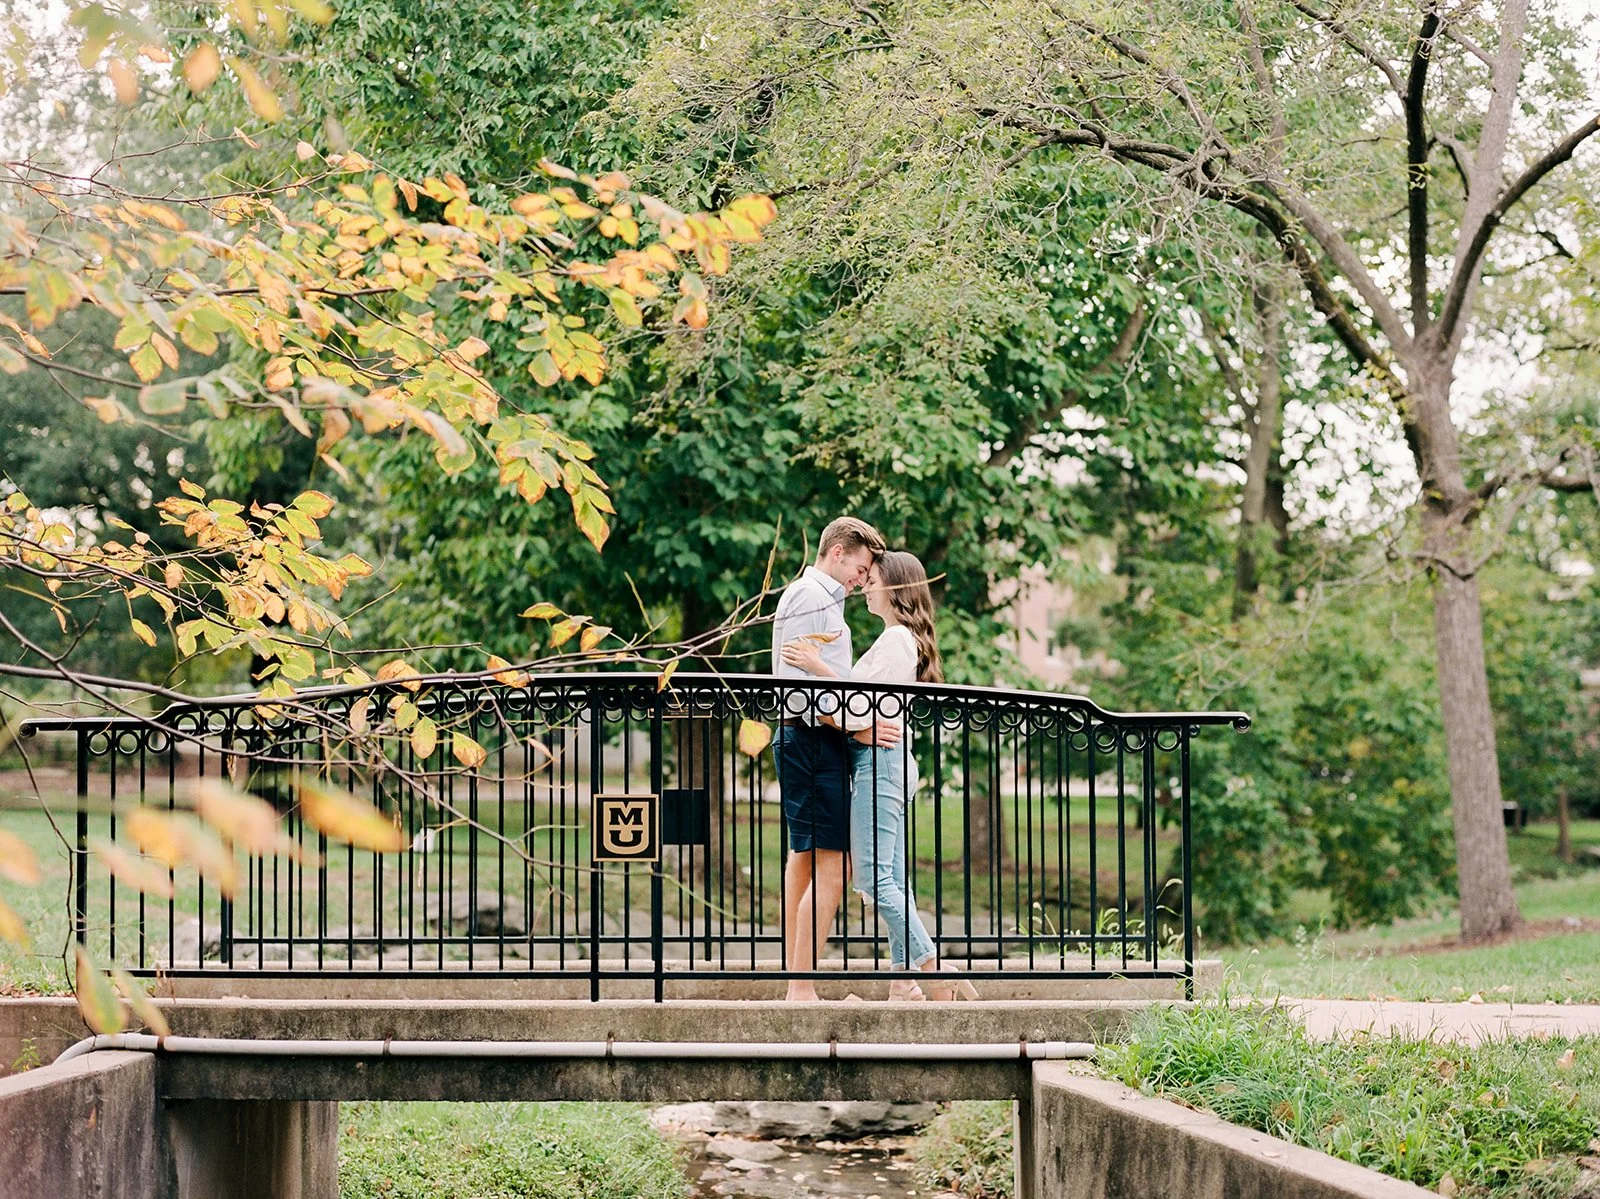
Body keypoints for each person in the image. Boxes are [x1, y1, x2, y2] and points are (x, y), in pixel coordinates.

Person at [782, 551, 977, 1001]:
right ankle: (903, 981)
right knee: (892, 876)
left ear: (894, 587)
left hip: (882, 764)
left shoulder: (896, 641)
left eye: (872, 579)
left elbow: (858, 705)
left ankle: (932, 967)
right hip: (883, 763)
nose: (865, 585)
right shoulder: (896, 638)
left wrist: (816, 667)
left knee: (872, 879)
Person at [770, 516, 894, 1003]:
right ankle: (800, 987)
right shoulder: (811, 597)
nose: (862, 580)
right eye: (861, 568)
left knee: (804, 859)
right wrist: (858, 725)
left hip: (811, 741)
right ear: (838, 551)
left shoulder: (822, 599)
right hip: (810, 740)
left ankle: (792, 979)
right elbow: (805, 690)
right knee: (833, 864)